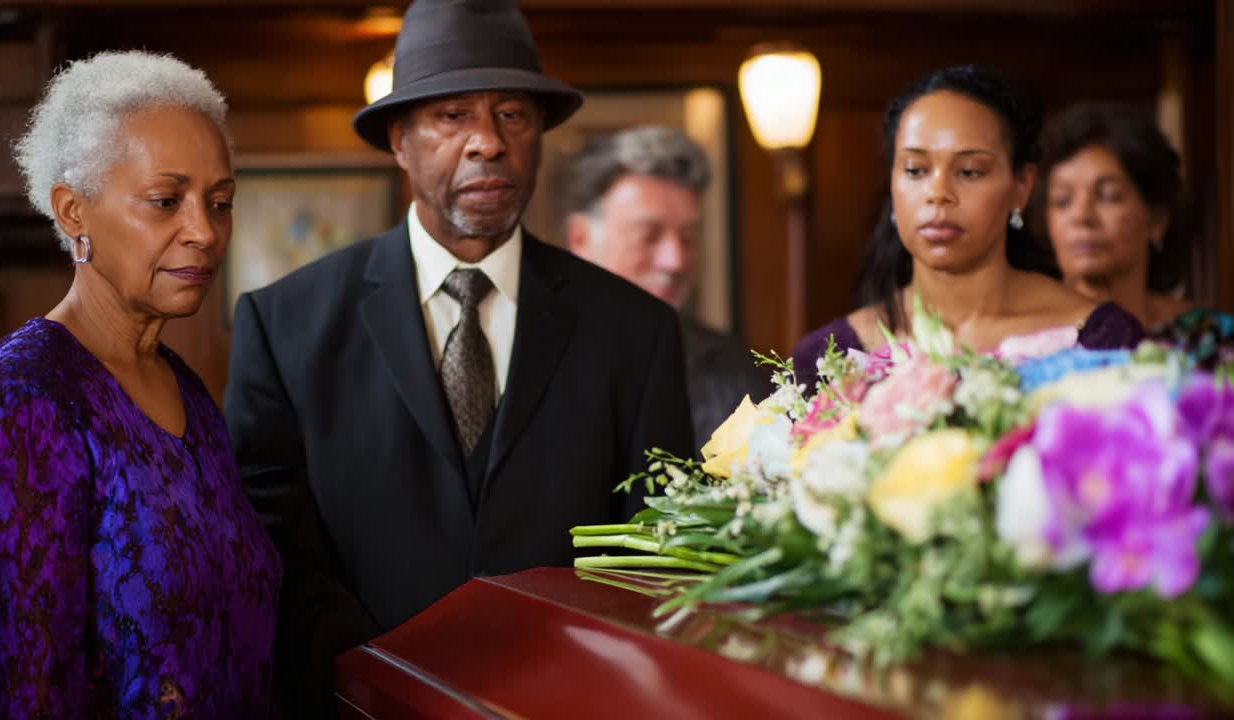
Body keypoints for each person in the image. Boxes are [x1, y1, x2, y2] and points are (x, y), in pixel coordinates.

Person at [223, 0, 694, 715]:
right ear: (398, 138)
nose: (488, 142)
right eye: (452, 117)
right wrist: (375, 681)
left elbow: (656, 552)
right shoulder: (284, 323)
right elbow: (269, 553)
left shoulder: (635, 331)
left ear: (538, 137)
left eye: (513, 115)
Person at [0, 51, 279, 718]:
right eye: (166, 202)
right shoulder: (28, 393)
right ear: (74, 212)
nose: (204, 231)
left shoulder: (184, 386)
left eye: (220, 203)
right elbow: (26, 690)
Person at [792, 65, 1143, 386]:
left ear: (1022, 185)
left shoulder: (1102, 340)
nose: (938, 193)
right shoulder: (827, 358)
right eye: (916, 170)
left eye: (969, 172)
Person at [564, 126, 768, 445]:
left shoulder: (733, 368)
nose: (675, 261)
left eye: (688, 237)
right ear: (580, 238)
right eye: (648, 235)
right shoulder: (531, 358)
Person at [1036, 102, 1192, 330]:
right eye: (1062, 200)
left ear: (1157, 219)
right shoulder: (1020, 343)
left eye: (1109, 196)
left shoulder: (1203, 336)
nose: (1082, 216)